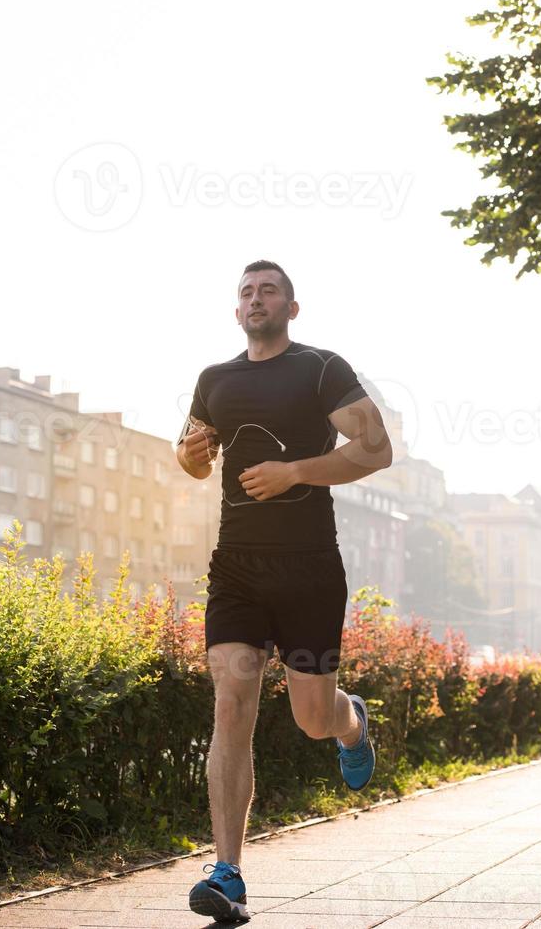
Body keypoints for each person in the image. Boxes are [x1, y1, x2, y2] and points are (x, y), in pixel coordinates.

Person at [175, 260, 393, 923]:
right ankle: (228, 875)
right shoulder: (215, 379)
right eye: (246, 291)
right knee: (231, 706)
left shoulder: (320, 369)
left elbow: (375, 447)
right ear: (235, 309)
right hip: (236, 566)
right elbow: (187, 458)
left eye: (269, 290)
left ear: (291, 308)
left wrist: (296, 470)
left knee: (311, 721)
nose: (256, 298)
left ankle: (350, 724)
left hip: (309, 569)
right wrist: (194, 450)